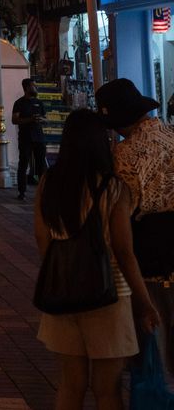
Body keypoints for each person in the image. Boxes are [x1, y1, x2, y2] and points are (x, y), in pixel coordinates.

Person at [33, 108, 158, 410]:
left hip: (62, 294)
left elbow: (43, 242)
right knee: (107, 389)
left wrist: (67, 273)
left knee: (70, 384)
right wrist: (144, 303)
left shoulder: (48, 184)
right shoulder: (113, 189)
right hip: (109, 296)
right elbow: (124, 253)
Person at [96, 77, 174, 388]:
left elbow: (119, 227)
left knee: (150, 349)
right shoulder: (171, 136)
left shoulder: (124, 156)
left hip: (148, 260)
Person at [12, 78, 48, 201]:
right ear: (27, 88)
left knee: (41, 165)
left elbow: (45, 119)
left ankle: (43, 192)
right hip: (25, 138)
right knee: (23, 164)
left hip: (39, 137)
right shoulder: (19, 103)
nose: (36, 88)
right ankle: (22, 192)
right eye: (33, 86)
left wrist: (40, 119)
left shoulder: (40, 102)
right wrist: (30, 119)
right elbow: (15, 120)